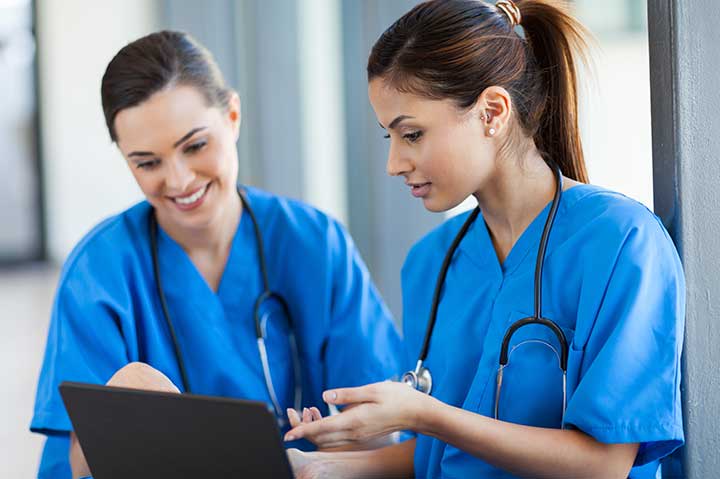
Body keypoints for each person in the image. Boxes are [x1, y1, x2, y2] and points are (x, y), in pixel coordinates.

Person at [284, 1, 685, 478]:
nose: (393, 163)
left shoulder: (622, 242)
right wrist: (321, 465)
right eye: (387, 138)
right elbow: (439, 457)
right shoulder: (432, 263)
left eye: (411, 134)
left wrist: (420, 413)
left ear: (492, 112)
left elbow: (603, 465)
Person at [30, 30, 403, 479]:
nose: (180, 179)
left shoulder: (314, 243)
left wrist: (341, 444)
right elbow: (78, 464)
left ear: (232, 115)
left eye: (195, 145)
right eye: (148, 163)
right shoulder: (98, 272)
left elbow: (382, 429)